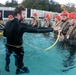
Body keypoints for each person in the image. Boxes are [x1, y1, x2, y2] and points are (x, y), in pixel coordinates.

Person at [3, 5, 59, 74]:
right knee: (19, 60)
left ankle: (7, 66)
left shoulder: (7, 23)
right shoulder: (21, 25)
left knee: (7, 57)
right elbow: (37, 30)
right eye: (23, 14)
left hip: (8, 46)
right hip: (17, 48)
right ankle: (18, 70)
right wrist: (52, 29)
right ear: (18, 14)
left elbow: (4, 35)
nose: (24, 16)